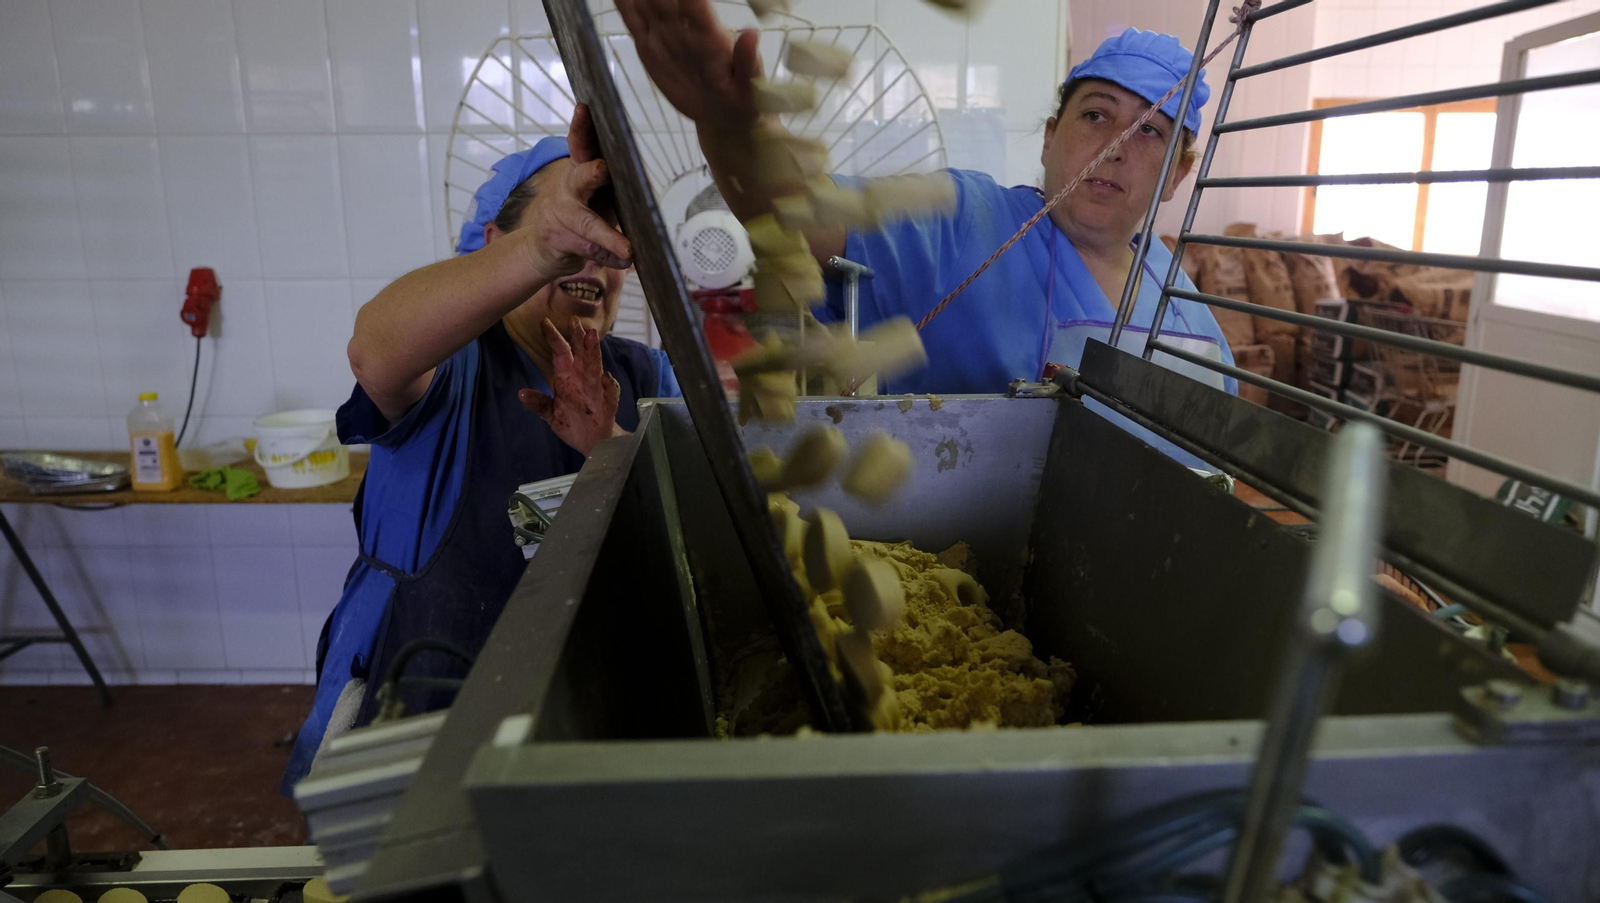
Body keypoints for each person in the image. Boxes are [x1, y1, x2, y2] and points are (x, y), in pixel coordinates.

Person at [616, 2, 1234, 465]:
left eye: (1151, 130)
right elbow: (797, 211)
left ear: (1181, 171)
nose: (1117, 147)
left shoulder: (1183, 309)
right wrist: (731, 126)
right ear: (1050, 137)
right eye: (1096, 115)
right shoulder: (970, 223)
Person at [282, 105, 680, 791]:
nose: (594, 255)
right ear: (497, 241)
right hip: (417, 712)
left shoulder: (645, 376)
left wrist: (610, 448)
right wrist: (532, 251)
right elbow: (373, 351)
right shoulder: (457, 362)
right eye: (570, 231)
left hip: (578, 714)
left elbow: (677, 528)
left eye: (609, 239)